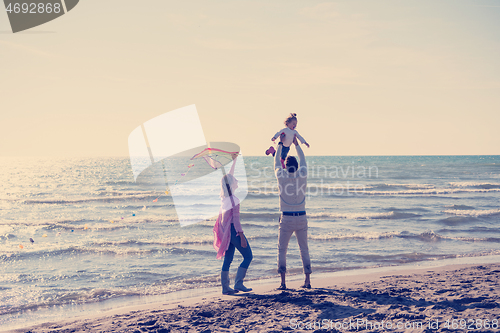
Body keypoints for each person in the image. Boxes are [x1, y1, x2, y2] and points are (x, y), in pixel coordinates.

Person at [275, 133, 311, 290]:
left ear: (285, 166)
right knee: (304, 249)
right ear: (296, 166)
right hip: (301, 217)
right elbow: (303, 160)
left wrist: (280, 145)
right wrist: (296, 144)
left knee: (282, 249)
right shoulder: (302, 174)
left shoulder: (281, 175)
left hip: (287, 219)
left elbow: (276, 162)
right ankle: (307, 281)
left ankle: (283, 283)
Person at [213, 154, 253, 295]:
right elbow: (236, 221)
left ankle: (225, 287)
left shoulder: (224, 197)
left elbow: (228, 177)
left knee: (228, 259)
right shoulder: (234, 199)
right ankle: (238, 283)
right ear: (231, 185)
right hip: (233, 231)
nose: (237, 181)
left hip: (226, 233)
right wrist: (241, 236)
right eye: (235, 180)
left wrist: (234, 160)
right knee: (248, 256)